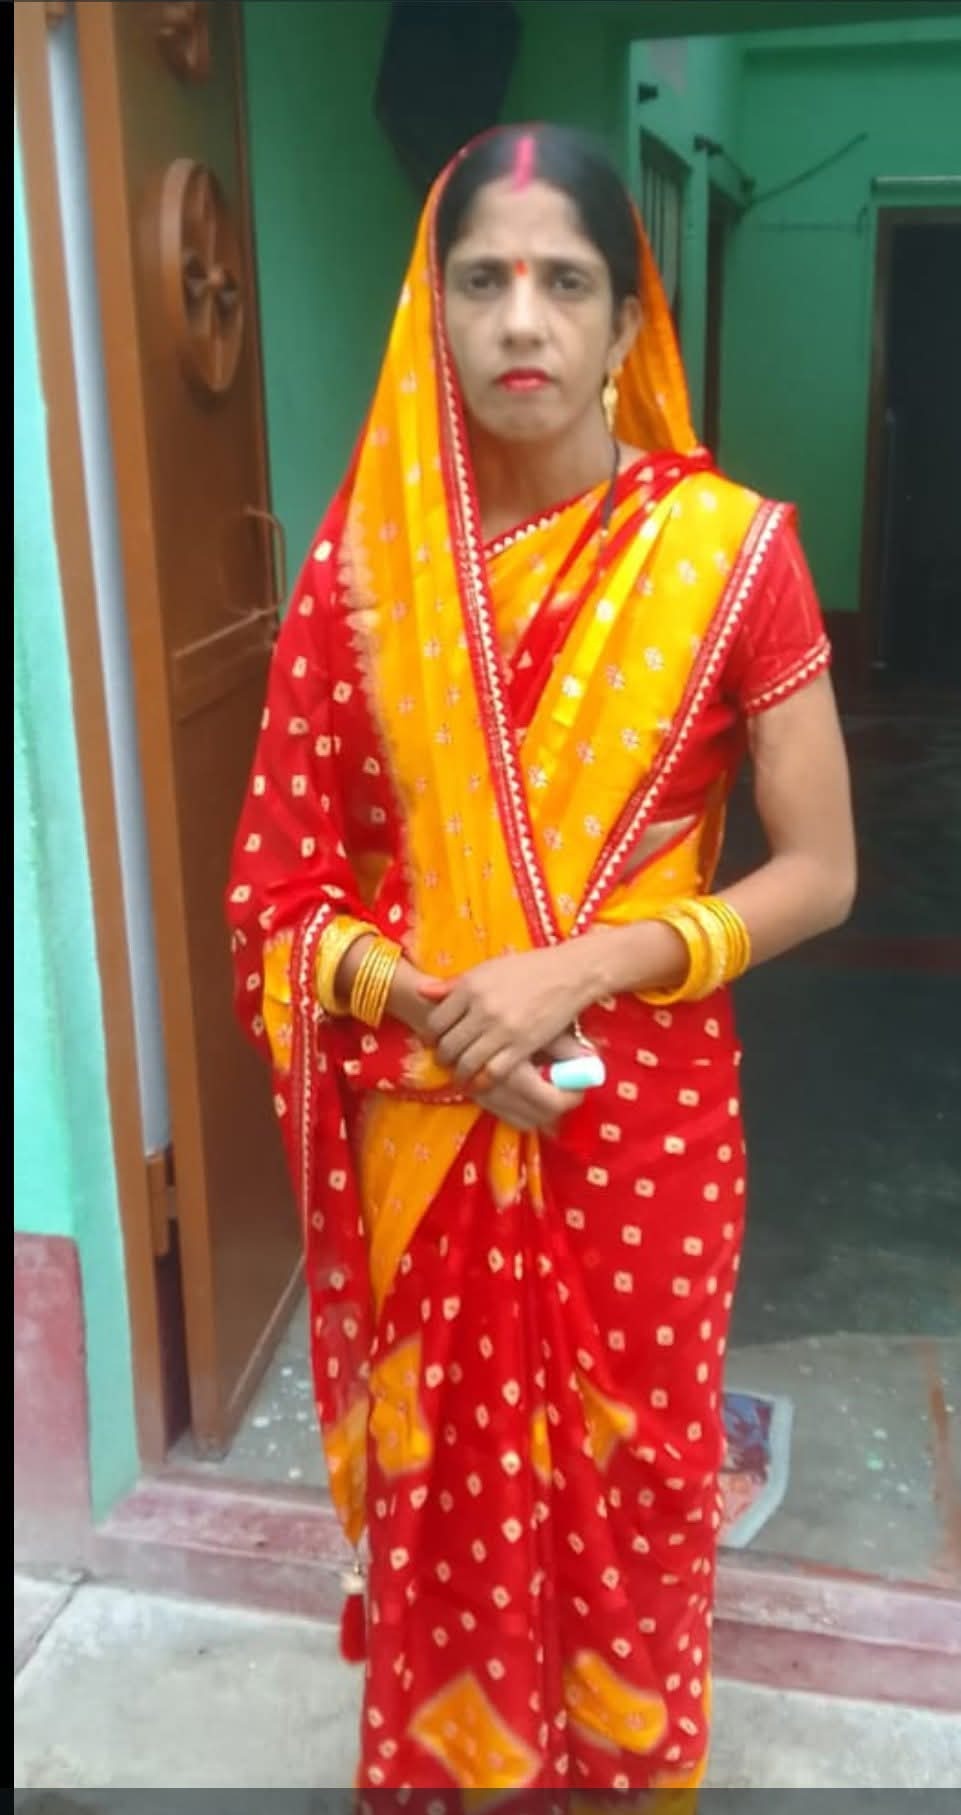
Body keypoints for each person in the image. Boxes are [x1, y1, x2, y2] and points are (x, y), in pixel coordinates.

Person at [226, 123, 856, 1795]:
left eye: (565, 282)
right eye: (483, 281)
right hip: (429, 1114)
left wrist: (574, 971)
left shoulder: (729, 553)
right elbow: (280, 895)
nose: (522, 319)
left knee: (635, 1482)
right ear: (430, 312)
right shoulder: (361, 580)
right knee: (444, 1493)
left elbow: (821, 875)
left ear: (626, 321)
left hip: (635, 1122)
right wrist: (441, 1012)